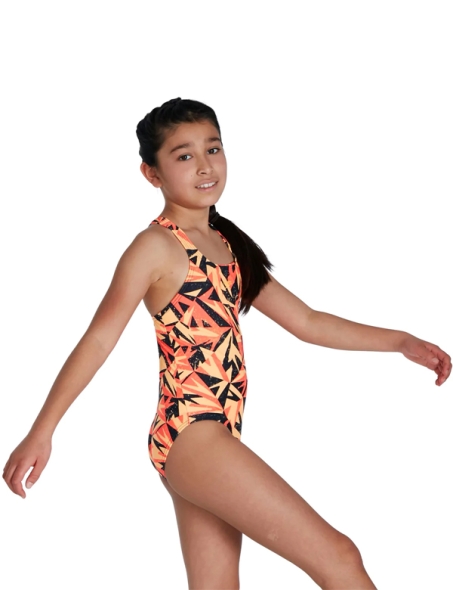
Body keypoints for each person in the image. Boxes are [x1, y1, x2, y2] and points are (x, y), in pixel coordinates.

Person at [3, 97, 450, 590]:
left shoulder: (228, 245)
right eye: (184, 155)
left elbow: (307, 321)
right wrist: (42, 430)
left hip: (211, 436)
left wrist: (401, 342)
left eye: (212, 149)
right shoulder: (155, 247)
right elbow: (98, 339)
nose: (204, 165)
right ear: (152, 174)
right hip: (192, 432)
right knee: (339, 556)